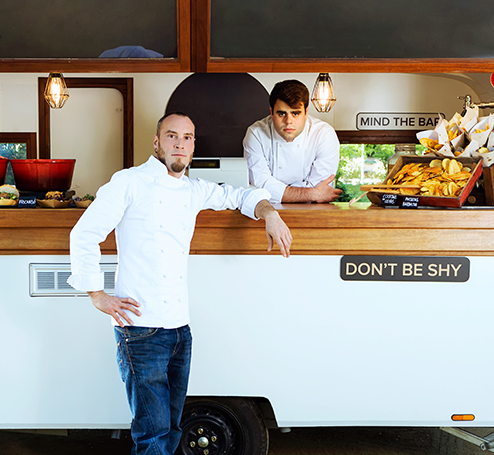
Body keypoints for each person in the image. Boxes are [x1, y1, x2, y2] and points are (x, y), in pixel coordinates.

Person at [67, 112, 292, 455]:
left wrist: (270, 213)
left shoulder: (193, 190)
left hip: (179, 331)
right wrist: (97, 295)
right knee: (153, 435)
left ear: (193, 146)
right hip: (140, 330)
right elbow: (84, 233)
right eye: (172, 136)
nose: (180, 144)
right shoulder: (129, 182)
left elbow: (240, 197)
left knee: (171, 430)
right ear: (157, 142)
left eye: (187, 138)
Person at [243, 79, 342, 203]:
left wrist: (277, 191)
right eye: (281, 114)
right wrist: (313, 194)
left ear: (306, 112)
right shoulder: (256, 133)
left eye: (295, 114)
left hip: (312, 211)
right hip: (267, 209)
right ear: (271, 113)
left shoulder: (324, 134)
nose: (288, 121)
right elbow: (260, 186)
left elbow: (321, 187)